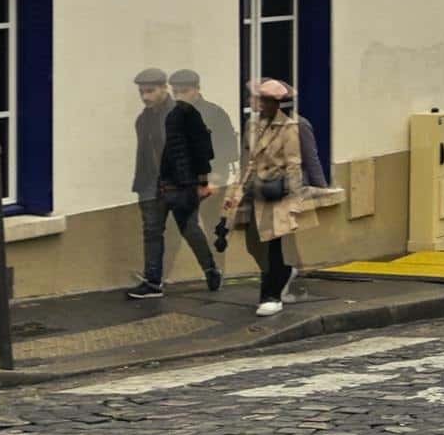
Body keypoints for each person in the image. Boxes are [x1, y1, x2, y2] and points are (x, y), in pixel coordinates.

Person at [220, 78, 311, 318]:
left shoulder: (289, 127)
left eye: (266, 101)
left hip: (276, 193)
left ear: (277, 104)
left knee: (271, 244)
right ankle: (284, 272)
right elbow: (246, 161)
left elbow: (294, 164)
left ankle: (270, 295)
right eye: (259, 100)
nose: (260, 105)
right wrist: (235, 194)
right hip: (253, 191)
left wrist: (294, 201)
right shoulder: (252, 125)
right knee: (253, 244)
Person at [126, 70, 221, 299]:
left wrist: (201, 182)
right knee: (152, 232)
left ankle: (210, 268)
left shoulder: (183, 113)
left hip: (180, 184)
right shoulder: (143, 119)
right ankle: (153, 282)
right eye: (142, 92)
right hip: (150, 185)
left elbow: (200, 149)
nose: (145, 97)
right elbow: (145, 154)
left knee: (189, 228)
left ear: (163, 89)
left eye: (150, 91)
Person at [170, 68, 237, 191]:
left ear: (197, 89)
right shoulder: (172, 114)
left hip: (210, 176)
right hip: (181, 179)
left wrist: (216, 176)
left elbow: (228, 146)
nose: (179, 96)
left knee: (209, 210)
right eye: (175, 92)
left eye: (184, 91)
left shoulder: (214, 112)